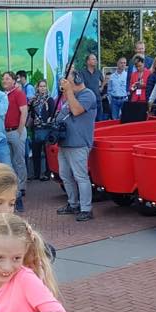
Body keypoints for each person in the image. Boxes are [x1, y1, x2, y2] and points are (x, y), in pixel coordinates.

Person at [56, 70, 98, 222]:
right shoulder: (69, 96)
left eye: (68, 81)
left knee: (81, 176)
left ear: (78, 80)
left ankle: (86, 208)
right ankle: (73, 203)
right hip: (64, 143)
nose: (65, 84)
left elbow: (76, 110)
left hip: (79, 143)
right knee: (65, 175)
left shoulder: (88, 95)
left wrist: (68, 92)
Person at [0, 71, 28, 212]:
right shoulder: (2, 95)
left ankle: (21, 187)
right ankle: (14, 186)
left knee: (18, 160)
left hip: (15, 131)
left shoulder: (18, 94)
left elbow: (24, 111)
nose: (4, 80)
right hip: (5, 132)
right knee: (10, 161)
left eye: (7, 78)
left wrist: (19, 130)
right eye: (3, 78)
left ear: (13, 80)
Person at [29, 79, 56, 180]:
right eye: (41, 86)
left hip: (46, 128)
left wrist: (49, 121)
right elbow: (31, 113)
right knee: (36, 152)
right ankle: (36, 174)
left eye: (44, 86)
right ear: (37, 88)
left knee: (47, 151)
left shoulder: (50, 99)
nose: (43, 88)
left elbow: (52, 113)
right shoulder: (33, 100)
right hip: (36, 128)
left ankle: (47, 173)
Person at [124, 55, 152, 123]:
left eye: (140, 66)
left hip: (144, 98)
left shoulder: (149, 72)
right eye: (137, 66)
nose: (138, 68)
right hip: (135, 98)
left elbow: (150, 86)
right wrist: (132, 87)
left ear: (143, 64)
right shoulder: (133, 74)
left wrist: (143, 85)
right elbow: (130, 86)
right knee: (135, 117)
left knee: (143, 117)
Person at [107, 57, 128, 121]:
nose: (123, 64)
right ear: (117, 64)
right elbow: (109, 89)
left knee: (125, 118)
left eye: (124, 63)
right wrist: (110, 100)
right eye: (121, 63)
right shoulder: (112, 76)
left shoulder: (128, 75)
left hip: (124, 100)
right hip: (114, 100)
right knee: (114, 119)